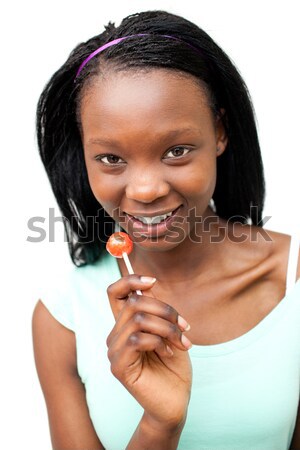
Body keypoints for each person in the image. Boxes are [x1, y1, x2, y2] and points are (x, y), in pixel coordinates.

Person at [32, 9, 300, 450]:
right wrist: (160, 423)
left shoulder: (291, 279)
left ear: (219, 131)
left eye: (176, 150)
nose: (145, 189)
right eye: (111, 159)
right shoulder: (62, 318)